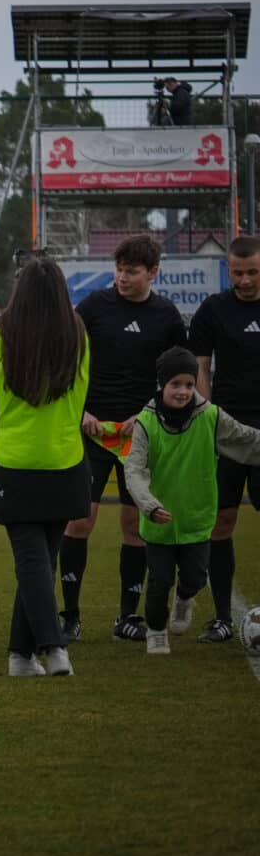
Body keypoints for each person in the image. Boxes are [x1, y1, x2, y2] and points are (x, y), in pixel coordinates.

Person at [62, 233, 185, 644]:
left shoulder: (167, 316)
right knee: (80, 520)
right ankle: (70, 615)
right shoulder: (94, 306)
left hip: (140, 434)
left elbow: (176, 377)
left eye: (131, 272)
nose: (121, 278)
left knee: (135, 524)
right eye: (118, 269)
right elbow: (68, 359)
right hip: (92, 431)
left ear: (153, 272)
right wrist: (81, 412)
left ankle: (126, 617)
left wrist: (149, 413)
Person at [0, 257, 91, 678]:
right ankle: (20, 657)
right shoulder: (79, 336)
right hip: (65, 458)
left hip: (15, 460)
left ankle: (51, 647)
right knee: (43, 559)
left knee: (32, 561)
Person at [122, 347, 260, 654]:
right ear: (162, 385)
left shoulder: (211, 416)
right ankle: (157, 632)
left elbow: (245, 439)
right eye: (176, 384)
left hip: (197, 520)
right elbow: (134, 470)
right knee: (159, 582)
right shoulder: (146, 422)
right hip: (159, 521)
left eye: (189, 384)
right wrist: (149, 505)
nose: (183, 391)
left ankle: (185, 599)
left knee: (196, 578)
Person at [181, 234, 260, 643]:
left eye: (252, 272)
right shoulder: (214, 310)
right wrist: (209, 418)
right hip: (228, 431)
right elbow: (201, 370)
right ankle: (223, 618)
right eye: (237, 272)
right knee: (221, 522)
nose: (244, 280)